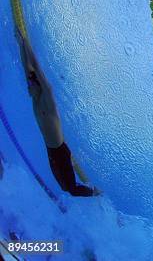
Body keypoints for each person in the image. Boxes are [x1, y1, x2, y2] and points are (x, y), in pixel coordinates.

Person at [15, 28, 98, 197]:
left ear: (38, 85)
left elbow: (35, 67)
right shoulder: (36, 99)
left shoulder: (47, 96)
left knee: (71, 189)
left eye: (31, 85)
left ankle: (96, 193)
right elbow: (28, 69)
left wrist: (27, 43)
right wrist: (20, 43)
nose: (28, 89)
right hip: (52, 151)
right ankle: (92, 192)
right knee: (65, 188)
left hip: (59, 152)